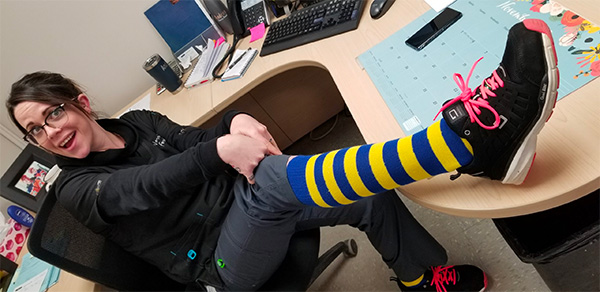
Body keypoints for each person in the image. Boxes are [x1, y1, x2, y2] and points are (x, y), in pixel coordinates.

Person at [6, 19, 558, 292]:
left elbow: (202, 146)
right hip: (219, 268)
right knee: (274, 179)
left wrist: (235, 123)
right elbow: (148, 187)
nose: (50, 133)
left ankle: (422, 279)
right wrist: (225, 147)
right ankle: (464, 142)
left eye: (52, 114)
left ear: (78, 104)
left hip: (249, 210)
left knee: (362, 187)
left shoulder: (140, 124)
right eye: (34, 131)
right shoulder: (75, 190)